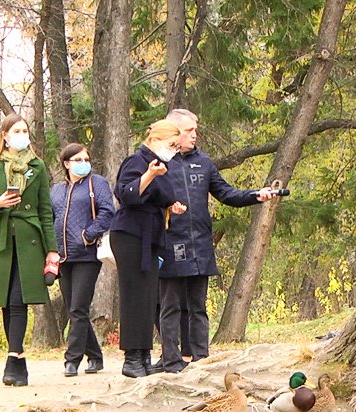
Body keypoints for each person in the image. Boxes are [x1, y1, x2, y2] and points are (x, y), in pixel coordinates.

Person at [157, 109, 273, 373]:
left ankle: (201, 359)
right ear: (174, 131)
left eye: (196, 130)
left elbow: (226, 193)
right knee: (170, 306)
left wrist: (256, 195)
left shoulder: (204, 162)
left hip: (199, 243)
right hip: (170, 242)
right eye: (189, 131)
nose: (194, 135)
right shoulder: (159, 162)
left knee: (198, 306)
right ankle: (171, 361)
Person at [0, 113, 58, 386]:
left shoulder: (38, 167)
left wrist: (52, 251)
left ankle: (14, 358)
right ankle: (18, 360)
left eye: (25, 130)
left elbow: (46, 212)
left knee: (18, 300)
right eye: (17, 131)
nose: (22, 135)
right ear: (5, 136)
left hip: (30, 243)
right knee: (5, 302)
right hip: (1, 243)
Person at [112, 119, 188, 378]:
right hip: (131, 235)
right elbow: (126, 195)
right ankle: (131, 358)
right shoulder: (136, 161)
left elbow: (162, 196)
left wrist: (171, 207)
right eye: (171, 145)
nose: (174, 150)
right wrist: (149, 175)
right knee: (134, 295)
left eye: (177, 147)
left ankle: (144, 355)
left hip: (152, 236)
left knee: (148, 298)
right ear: (155, 139)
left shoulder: (163, 166)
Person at [50, 143, 114, 377]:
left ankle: (72, 359)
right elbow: (49, 218)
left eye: (86, 159)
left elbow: (108, 212)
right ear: (67, 164)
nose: (83, 163)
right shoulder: (57, 190)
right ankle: (95, 356)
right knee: (74, 309)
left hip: (87, 255)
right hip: (63, 257)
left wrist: (88, 234)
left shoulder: (97, 184)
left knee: (78, 307)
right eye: (77, 159)